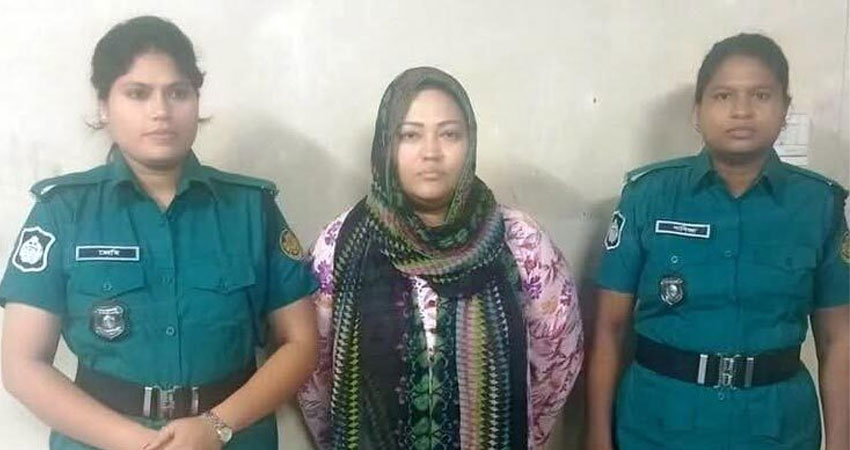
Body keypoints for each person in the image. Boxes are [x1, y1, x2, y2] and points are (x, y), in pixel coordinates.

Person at [0, 16, 318, 450]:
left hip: (232, 436)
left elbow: (301, 343)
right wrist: (139, 443)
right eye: (138, 93)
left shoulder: (250, 209)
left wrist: (216, 426)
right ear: (104, 105)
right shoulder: (62, 211)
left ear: (196, 100)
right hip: (102, 440)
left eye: (178, 92)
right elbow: (22, 365)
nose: (161, 111)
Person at [297, 66, 584, 450]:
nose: (431, 152)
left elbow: (557, 364)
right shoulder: (341, 244)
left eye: (449, 134)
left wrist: (523, 436)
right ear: (385, 144)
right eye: (410, 135)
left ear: (470, 142)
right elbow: (314, 372)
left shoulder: (521, 241)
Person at [586, 33, 849, 450]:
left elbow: (838, 339)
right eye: (723, 96)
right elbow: (609, 327)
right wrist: (597, 436)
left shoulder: (819, 206)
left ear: (785, 109)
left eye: (761, 95)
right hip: (658, 427)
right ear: (698, 111)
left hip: (777, 430)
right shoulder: (648, 197)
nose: (742, 110)